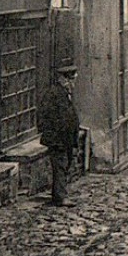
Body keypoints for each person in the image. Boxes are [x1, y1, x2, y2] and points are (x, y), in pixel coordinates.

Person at [38, 63, 79, 206]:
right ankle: (60, 197)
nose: (73, 83)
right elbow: (45, 116)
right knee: (60, 165)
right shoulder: (54, 94)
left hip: (64, 138)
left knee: (63, 165)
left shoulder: (65, 94)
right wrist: (53, 133)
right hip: (57, 138)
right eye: (71, 80)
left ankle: (59, 194)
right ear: (64, 79)